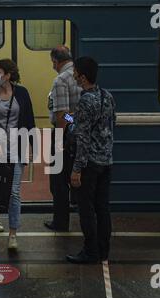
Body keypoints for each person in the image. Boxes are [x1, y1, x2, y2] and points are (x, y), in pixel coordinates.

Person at [0, 59, 36, 250]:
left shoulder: (22, 93)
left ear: (8, 75)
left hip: (17, 146)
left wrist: (32, 147)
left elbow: (29, 120)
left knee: (13, 192)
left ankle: (13, 233)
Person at [67, 56, 116, 264]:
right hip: (106, 161)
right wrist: (74, 118)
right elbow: (111, 124)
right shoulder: (107, 96)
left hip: (89, 164)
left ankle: (90, 251)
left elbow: (82, 138)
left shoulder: (85, 100)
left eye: (76, 72)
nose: (74, 75)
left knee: (86, 209)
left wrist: (76, 169)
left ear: (83, 77)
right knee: (102, 208)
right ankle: (103, 250)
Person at [44, 45, 82, 232]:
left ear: (56, 61)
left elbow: (62, 116)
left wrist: (70, 119)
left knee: (58, 181)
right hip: (80, 135)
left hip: (64, 134)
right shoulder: (80, 75)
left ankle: (60, 222)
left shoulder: (61, 80)